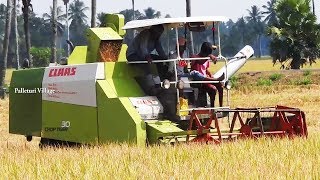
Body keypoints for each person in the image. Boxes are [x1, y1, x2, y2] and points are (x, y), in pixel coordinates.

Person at [191, 42, 224, 107]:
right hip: (198, 81)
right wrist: (208, 56)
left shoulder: (207, 59)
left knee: (220, 86)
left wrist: (210, 75)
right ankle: (212, 107)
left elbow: (205, 69)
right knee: (213, 89)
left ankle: (221, 107)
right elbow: (200, 62)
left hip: (206, 79)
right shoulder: (195, 57)